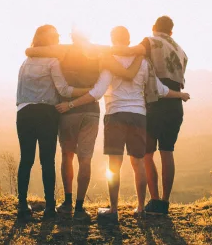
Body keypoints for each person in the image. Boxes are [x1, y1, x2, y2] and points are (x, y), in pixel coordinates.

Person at [55, 26, 190, 222]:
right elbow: (160, 89)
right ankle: (141, 208)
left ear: (112, 39)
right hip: (139, 116)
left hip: (115, 115)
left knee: (114, 165)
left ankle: (114, 210)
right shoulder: (143, 62)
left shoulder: (109, 61)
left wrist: (71, 104)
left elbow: (97, 92)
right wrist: (180, 95)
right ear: (129, 41)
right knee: (138, 163)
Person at [25, 31, 143, 220]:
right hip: (91, 111)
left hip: (68, 110)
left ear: (72, 37)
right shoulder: (99, 52)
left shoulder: (62, 51)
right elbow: (123, 52)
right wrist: (140, 49)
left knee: (67, 156)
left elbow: (31, 51)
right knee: (85, 159)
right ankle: (80, 208)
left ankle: (67, 203)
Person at [111, 16, 189, 215]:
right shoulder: (181, 51)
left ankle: (153, 201)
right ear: (171, 32)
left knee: (147, 154)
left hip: (155, 102)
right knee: (167, 152)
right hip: (175, 104)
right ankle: (164, 202)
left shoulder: (150, 41)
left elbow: (130, 52)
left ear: (154, 28)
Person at [16, 25, 90, 220]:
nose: (58, 39)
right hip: (47, 114)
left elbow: (20, 92)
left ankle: (22, 205)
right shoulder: (52, 61)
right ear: (49, 40)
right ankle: (49, 207)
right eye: (56, 36)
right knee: (47, 161)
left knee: (26, 160)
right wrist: (88, 91)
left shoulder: (25, 62)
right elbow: (64, 90)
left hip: (24, 113)